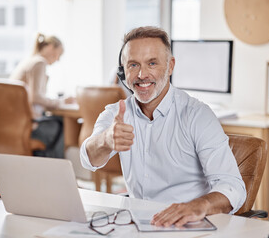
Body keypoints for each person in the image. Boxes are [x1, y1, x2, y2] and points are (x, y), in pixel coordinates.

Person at [80, 26, 246, 227]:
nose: (142, 74)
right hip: (138, 225)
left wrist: (197, 206)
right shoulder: (117, 113)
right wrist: (106, 139)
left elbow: (233, 187)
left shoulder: (197, 115)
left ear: (170, 66)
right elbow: (88, 158)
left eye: (152, 63)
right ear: (123, 70)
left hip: (187, 225)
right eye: (133, 65)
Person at [10, 33, 74, 158]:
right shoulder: (39, 63)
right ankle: (55, 170)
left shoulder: (28, 61)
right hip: (27, 126)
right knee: (62, 125)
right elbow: (36, 97)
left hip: (14, 123)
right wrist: (61, 102)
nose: (58, 59)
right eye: (58, 54)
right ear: (50, 47)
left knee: (55, 122)